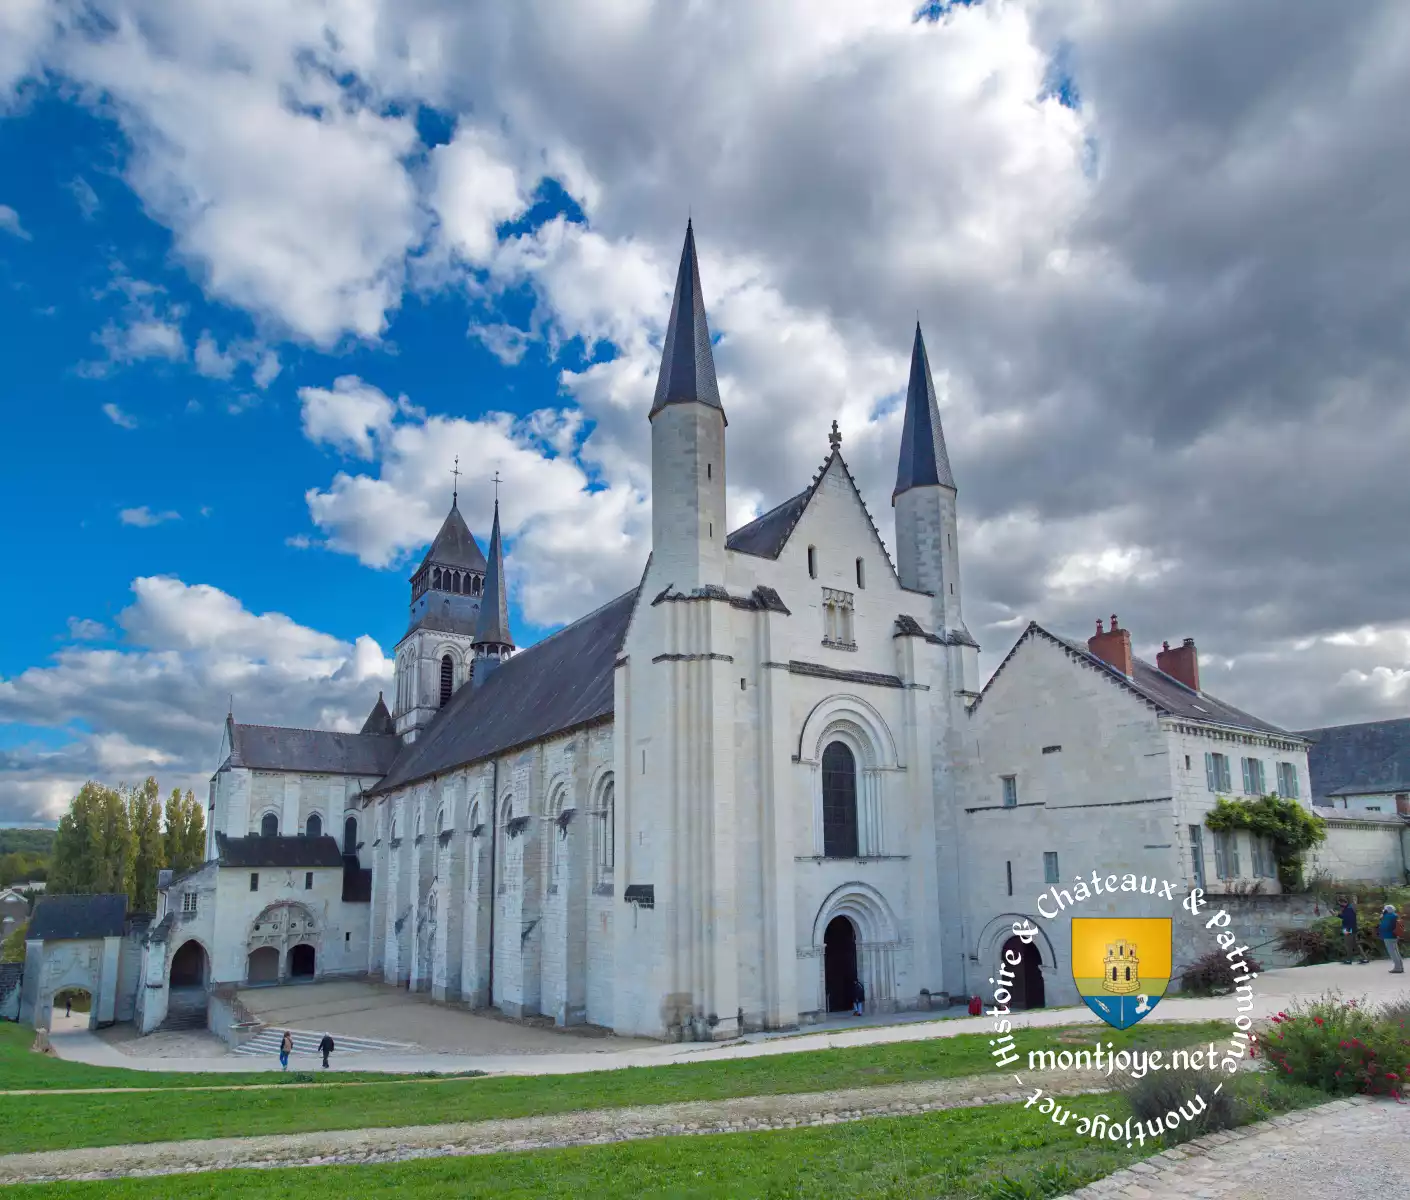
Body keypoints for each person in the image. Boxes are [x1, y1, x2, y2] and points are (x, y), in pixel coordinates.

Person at [1340, 897, 1368, 964]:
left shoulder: (1349, 909)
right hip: (1351, 928)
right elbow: (1344, 917)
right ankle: (1365, 958)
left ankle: (1349, 960)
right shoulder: (1348, 908)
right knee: (1355, 944)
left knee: (1348, 944)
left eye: (1341, 904)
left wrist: (1339, 914)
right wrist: (1338, 914)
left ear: (1344, 902)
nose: (1340, 905)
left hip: (1348, 929)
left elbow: (1347, 919)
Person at [1378, 904, 1404, 974]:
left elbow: (1384, 927)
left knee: (1392, 953)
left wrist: (1382, 917)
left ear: (1387, 910)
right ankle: (1400, 967)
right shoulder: (1394, 915)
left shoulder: (1386, 917)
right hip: (1394, 936)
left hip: (1388, 936)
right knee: (1396, 952)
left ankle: (1397, 968)